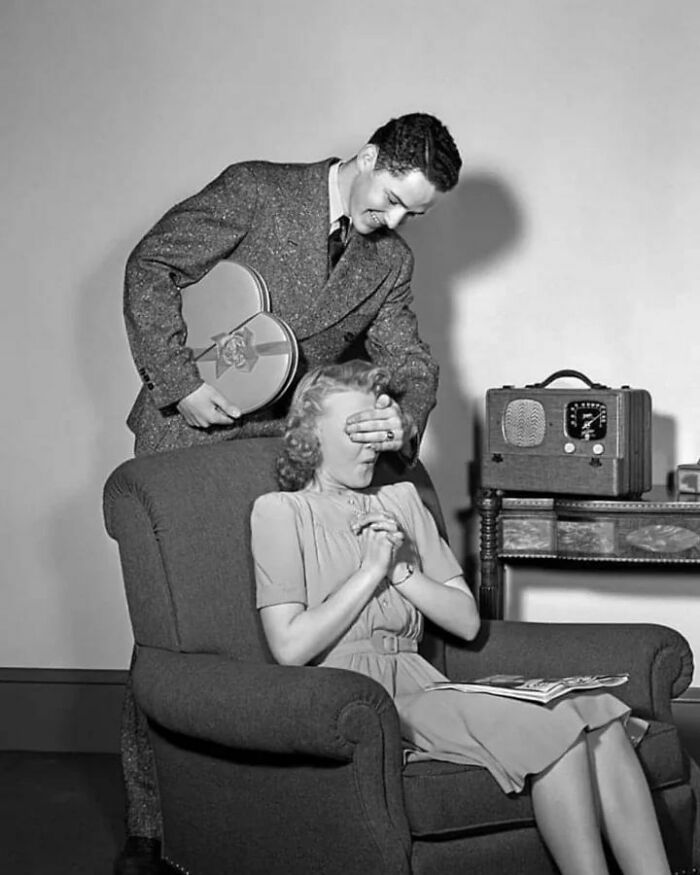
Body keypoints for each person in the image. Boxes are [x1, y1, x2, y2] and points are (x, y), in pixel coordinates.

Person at [117, 113, 462, 873]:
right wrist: (179, 385)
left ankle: (262, 808)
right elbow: (152, 265)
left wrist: (396, 417)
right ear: (368, 156)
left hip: (282, 452)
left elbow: (409, 358)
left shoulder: (390, 262)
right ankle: (151, 829)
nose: (396, 221)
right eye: (391, 199)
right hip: (188, 435)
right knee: (176, 632)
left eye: (414, 212)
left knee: (272, 619)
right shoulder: (257, 190)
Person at [250, 360, 671, 875]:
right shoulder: (280, 513)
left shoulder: (401, 499)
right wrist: (370, 572)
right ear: (311, 434)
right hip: (359, 698)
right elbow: (290, 648)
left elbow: (466, 622)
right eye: (354, 429)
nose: (372, 444)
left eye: (377, 429)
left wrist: (404, 575)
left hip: (427, 685)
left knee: (598, 716)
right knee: (557, 730)